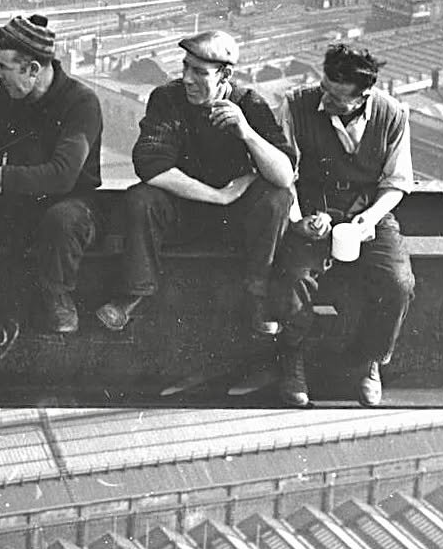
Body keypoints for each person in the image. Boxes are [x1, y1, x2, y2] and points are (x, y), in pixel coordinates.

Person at [0, 13, 105, 409]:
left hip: (72, 207)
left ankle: (57, 299)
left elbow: (64, 176)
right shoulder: (7, 98)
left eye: (5, 69)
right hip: (18, 206)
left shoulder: (81, 102)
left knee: (62, 221)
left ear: (32, 69)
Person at [95, 30, 294, 337]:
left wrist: (248, 133)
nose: (187, 79)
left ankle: (257, 296)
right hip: (184, 211)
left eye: (199, 72)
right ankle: (134, 294)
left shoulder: (250, 104)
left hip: (235, 222)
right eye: (185, 68)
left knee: (276, 198)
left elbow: (284, 175)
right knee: (141, 198)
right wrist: (217, 196)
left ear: (226, 75)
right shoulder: (167, 98)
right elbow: (150, 165)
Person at [271, 43, 415, 408]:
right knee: (293, 278)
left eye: (338, 98)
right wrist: (297, 219)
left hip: (368, 213)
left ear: (364, 95)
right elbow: (284, 173)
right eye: (325, 88)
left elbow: (396, 182)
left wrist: (369, 219)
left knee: (397, 283)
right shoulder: (295, 105)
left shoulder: (392, 114)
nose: (327, 100)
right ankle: (292, 360)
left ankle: (371, 361)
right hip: (311, 212)